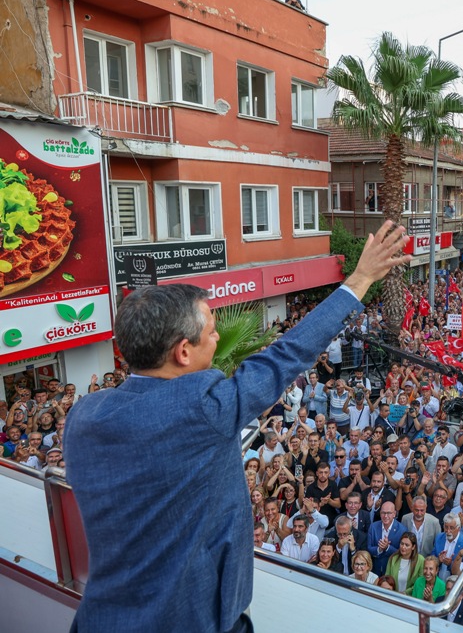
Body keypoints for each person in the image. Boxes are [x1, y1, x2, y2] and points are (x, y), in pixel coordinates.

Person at [63, 221, 410, 633]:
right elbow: (288, 354)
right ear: (183, 351)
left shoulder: (82, 417)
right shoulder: (205, 410)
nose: (217, 338)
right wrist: (360, 279)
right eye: (212, 332)